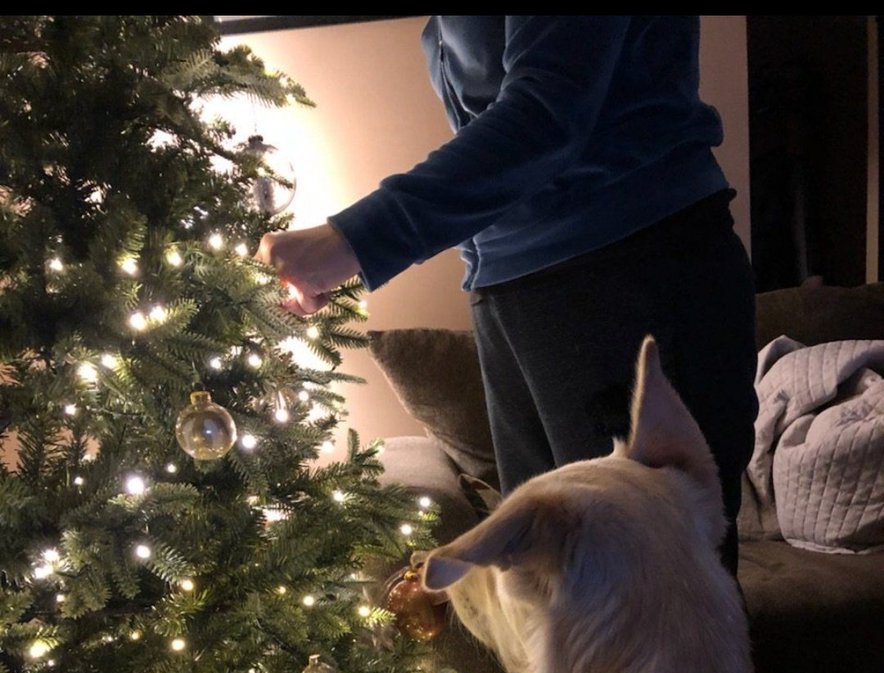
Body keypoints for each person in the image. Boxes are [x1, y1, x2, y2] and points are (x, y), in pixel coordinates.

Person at [257, 15, 758, 575]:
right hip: (514, 295)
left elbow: (546, 114)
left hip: (630, 272)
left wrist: (354, 240)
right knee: (548, 590)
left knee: (657, 600)